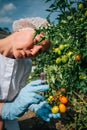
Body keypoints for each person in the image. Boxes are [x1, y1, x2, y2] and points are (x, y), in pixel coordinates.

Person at [0, 17, 60, 130]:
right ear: (22, 29)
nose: (34, 52)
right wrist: (6, 109)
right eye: (37, 42)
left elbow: (18, 94)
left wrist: (34, 105)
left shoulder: (26, 64)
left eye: (40, 51)